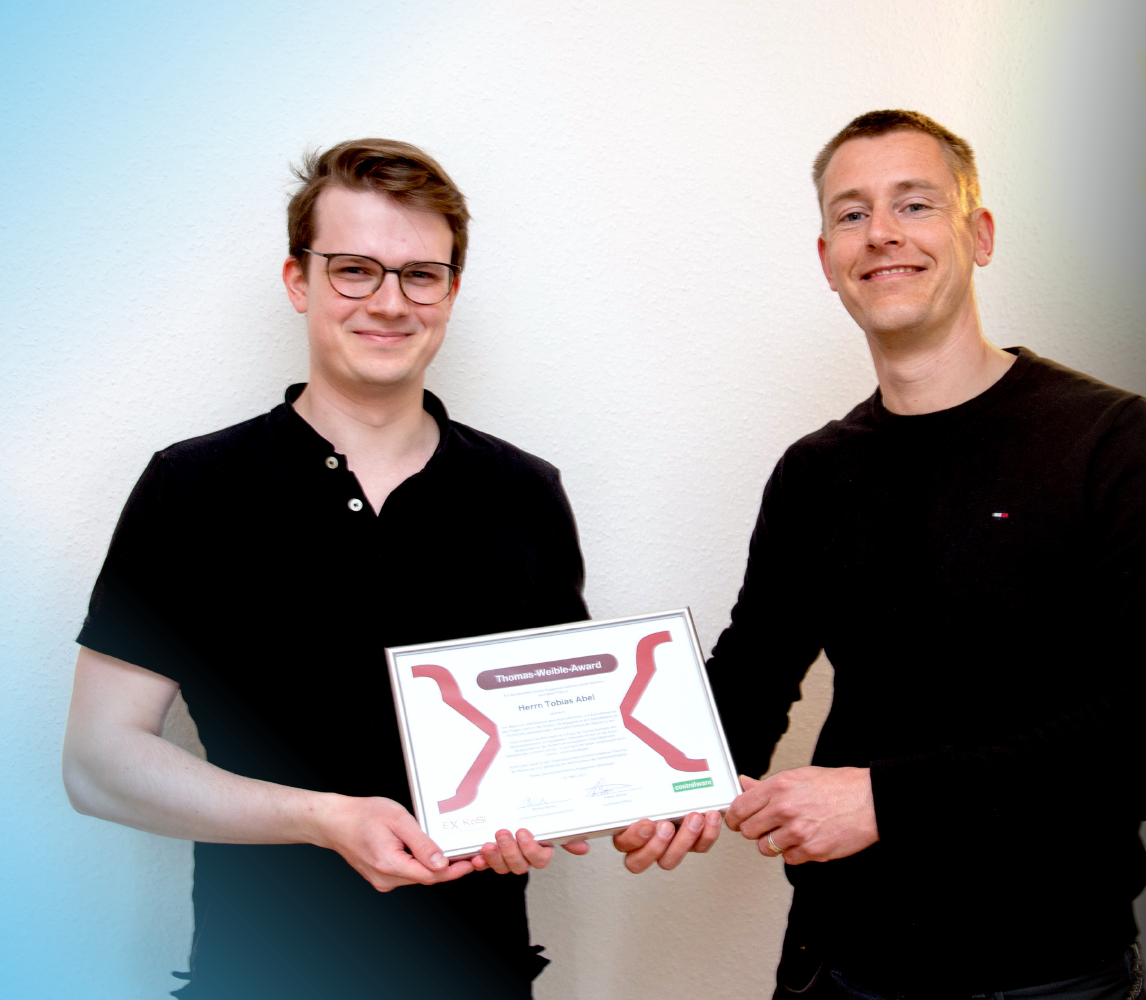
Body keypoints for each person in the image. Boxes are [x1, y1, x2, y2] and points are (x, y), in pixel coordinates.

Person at [60, 138, 717, 999]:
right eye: (354, 271)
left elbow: (560, 740)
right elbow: (98, 760)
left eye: (420, 275)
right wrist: (323, 819)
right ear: (298, 281)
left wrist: (648, 799)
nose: (389, 302)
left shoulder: (523, 493)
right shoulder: (192, 488)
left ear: (451, 292)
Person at [616, 109, 1146, 999]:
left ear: (979, 234)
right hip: (839, 964)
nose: (881, 232)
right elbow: (751, 678)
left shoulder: (1112, 441)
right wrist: (661, 786)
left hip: (1047, 973)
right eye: (852, 214)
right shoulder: (815, 472)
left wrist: (887, 801)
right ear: (828, 259)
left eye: (914, 204)